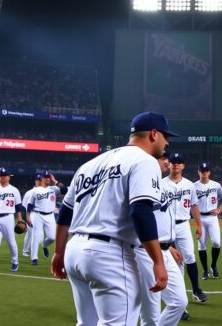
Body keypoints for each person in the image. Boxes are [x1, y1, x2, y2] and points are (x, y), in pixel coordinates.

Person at [50, 111, 172, 326]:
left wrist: (59, 251)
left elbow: (65, 212)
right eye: (166, 136)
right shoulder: (145, 161)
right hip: (109, 255)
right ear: (154, 134)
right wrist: (158, 261)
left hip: (74, 251)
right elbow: (141, 211)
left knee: (86, 322)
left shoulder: (90, 165)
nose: (168, 142)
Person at [137, 150, 189, 326]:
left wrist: (169, 246)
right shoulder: (141, 184)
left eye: (167, 159)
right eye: (162, 158)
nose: (167, 162)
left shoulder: (163, 185)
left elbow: (161, 219)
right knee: (150, 315)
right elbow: (137, 218)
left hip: (165, 250)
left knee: (179, 302)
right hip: (149, 252)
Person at [165, 153, 207, 305]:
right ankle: (178, 300)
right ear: (168, 164)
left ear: (183, 166)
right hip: (166, 225)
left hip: (183, 225)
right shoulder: (161, 184)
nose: (175, 164)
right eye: (173, 162)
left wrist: (199, 225)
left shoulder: (190, 185)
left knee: (189, 256)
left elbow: (194, 205)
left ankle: (196, 290)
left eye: (179, 162)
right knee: (173, 262)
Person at [194, 162, 222, 280]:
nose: (204, 173)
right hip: (200, 218)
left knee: (217, 243)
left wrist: (219, 209)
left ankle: (213, 265)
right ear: (198, 172)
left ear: (209, 172)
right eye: (202, 171)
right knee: (201, 245)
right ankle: (205, 270)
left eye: (206, 171)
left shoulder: (216, 185)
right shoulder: (193, 186)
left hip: (212, 218)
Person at [27, 171, 65, 265]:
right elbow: (30, 205)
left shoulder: (54, 189)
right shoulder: (35, 190)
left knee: (53, 237)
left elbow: (64, 190)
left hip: (50, 215)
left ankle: (44, 245)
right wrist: (28, 217)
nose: (47, 179)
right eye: (45, 177)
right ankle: (34, 258)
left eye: (49, 177)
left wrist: (54, 180)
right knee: (35, 236)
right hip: (37, 214)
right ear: (42, 179)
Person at [21, 176, 42, 257]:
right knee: (30, 234)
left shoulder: (46, 191)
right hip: (31, 215)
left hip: (42, 216)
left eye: (40, 180)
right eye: (38, 180)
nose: (39, 181)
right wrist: (25, 218)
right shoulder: (29, 193)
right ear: (35, 181)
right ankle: (25, 251)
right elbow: (23, 207)